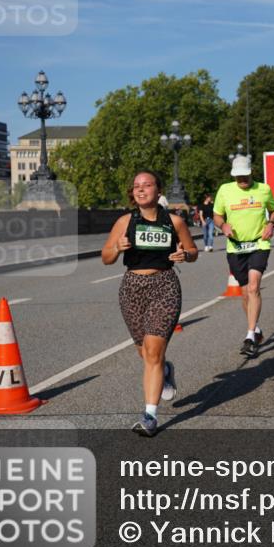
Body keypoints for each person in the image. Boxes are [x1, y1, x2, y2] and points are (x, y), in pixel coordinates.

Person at [101, 171, 197, 437]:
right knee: (144, 353)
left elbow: (193, 251)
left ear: (158, 190)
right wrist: (117, 248)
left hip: (164, 285)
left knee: (153, 352)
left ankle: (150, 416)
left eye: (146, 185)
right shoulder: (125, 221)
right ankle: (165, 370)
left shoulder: (174, 221)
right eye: (136, 186)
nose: (141, 190)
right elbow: (106, 257)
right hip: (132, 288)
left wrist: (184, 255)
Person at [213, 154, 274, 357]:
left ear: (251, 173)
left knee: (253, 287)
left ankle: (249, 337)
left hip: (259, 243)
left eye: (245, 176)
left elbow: (273, 210)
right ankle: (255, 328)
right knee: (244, 293)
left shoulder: (263, 189)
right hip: (236, 247)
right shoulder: (225, 190)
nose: (242, 179)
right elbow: (217, 215)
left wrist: (270, 224)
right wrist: (223, 225)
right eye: (238, 176)